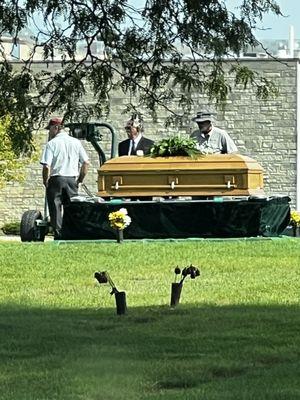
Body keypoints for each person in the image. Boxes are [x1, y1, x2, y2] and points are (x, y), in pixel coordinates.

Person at [40, 117, 90, 239]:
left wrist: (45, 180)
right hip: (71, 179)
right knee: (72, 207)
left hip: (56, 178)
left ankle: (58, 235)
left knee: (55, 208)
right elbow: (86, 162)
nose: (49, 132)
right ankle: (72, 233)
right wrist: (79, 180)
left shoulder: (51, 144)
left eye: (50, 129)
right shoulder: (76, 142)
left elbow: (47, 166)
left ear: (56, 128)